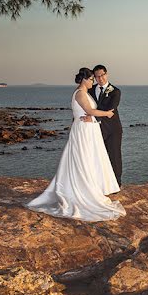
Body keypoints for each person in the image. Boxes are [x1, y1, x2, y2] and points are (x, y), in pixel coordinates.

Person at [26, 68, 125, 221]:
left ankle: (95, 186)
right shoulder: (80, 93)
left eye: (95, 78)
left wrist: (93, 116)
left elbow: (92, 110)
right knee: (83, 160)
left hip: (89, 129)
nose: (93, 81)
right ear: (84, 80)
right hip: (84, 131)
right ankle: (83, 190)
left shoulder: (92, 92)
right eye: (91, 78)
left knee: (91, 159)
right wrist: (105, 114)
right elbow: (89, 110)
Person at [86, 64, 123, 185]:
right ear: (94, 78)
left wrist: (91, 117)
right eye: (97, 76)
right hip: (96, 129)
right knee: (98, 157)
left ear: (106, 74)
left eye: (102, 75)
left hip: (113, 130)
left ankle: (117, 184)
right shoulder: (90, 90)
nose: (100, 78)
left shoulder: (115, 91)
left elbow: (110, 110)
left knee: (114, 156)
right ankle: (100, 182)